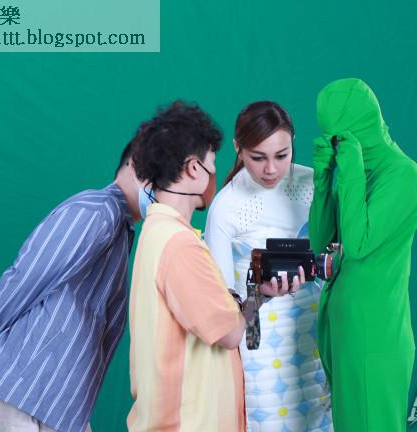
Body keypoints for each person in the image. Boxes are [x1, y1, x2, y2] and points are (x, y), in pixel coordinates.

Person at [0, 133, 153, 432]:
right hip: (25, 388)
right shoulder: (96, 211)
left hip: (52, 401)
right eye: (160, 176)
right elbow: (25, 278)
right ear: (135, 166)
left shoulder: (121, 228)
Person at [126, 100, 303, 432]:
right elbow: (231, 332)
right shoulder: (180, 246)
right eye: (212, 163)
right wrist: (259, 296)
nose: (215, 173)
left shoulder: (156, 231)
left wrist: (258, 292)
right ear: (194, 169)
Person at [204, 101, 333, 432]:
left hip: (318, 336)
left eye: (282, 155)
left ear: (293, 142)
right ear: (238, 148)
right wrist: (260, 294)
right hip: (260, 348)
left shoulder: (314, 185)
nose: (271, 169)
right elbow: (224, 313)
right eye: (258, 157)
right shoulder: (225, 207)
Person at [309, 78, 417, 431]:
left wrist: (351, 169)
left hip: (375, 336)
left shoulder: (403, 175)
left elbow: (358, 244)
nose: (337, 144)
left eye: (342, 136)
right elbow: (320, 244)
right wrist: (323, 181)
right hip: (344, 333)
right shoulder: (355, 175)